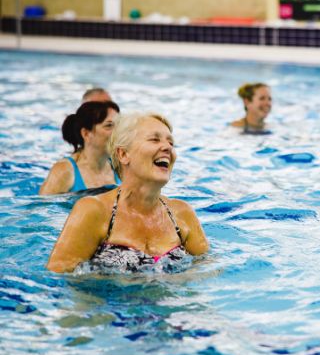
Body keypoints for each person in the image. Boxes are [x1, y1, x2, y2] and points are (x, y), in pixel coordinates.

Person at [47, 112, 209, 273]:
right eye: (154, 139)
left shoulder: (182, 214)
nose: (167, 147)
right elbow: (58, 277)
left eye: (171, 143)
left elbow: (207, 270)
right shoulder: (94, 211)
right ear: (123, 154)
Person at [40, 101, 121, 195]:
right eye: (109, 126)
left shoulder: (120, 166)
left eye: (119, 124)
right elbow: (41, 207)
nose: (118, 131)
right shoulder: (65, 171)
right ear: (86, 134)